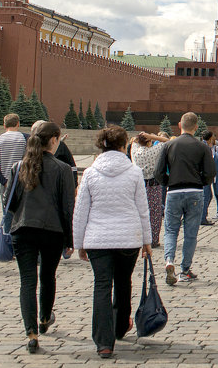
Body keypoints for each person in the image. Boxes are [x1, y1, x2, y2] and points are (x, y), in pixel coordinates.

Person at [73, 125, 150, 359]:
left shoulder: (90, 173)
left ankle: (103, 342)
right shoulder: (135, 172)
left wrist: (79, 243)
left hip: (97, 239)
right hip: (129, 238)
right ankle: (119, 327)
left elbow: (81, 210)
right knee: (124, 281)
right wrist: (147, 240)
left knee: (102, 285)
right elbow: (142, 209)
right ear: (123, 145)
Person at [7, 121, 75, 354]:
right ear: (54, 140)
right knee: (48, 276)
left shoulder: (19, 166)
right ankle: (45, 318)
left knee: (27, 282)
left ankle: (31, 333)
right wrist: (70, 239)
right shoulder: (63, 169)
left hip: (23, 228)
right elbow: (67, 208)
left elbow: (9, 200)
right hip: (52, 230)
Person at [155, 112, 216, 285]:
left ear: (179, 125)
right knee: (190, 233)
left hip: (174, 191)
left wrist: (169, 182)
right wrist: (201, 182)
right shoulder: (202, 147)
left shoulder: (169, 145)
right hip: (195, 191)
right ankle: (185, 270)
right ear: (196, 127)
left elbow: (158, 172)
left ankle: (169, 261)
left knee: (170, 230)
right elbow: (211, 173)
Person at [128, 131, 169, 248]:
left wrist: (140, 137)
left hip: (138, 185)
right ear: (149, 141)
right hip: (153, 185)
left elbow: (134, 141)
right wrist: (152, 136)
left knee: (138, 213)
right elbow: (168, 141)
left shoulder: (134, 150)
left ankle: (138, 238)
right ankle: (153, 239)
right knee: (155, 214)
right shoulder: (154, 151)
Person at [0, 113, 28, 208]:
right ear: (18, 124)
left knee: (7, 212)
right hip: (22, 181)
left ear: (4, 125)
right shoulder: (25, 138)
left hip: (5, 181)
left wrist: (3, 181)